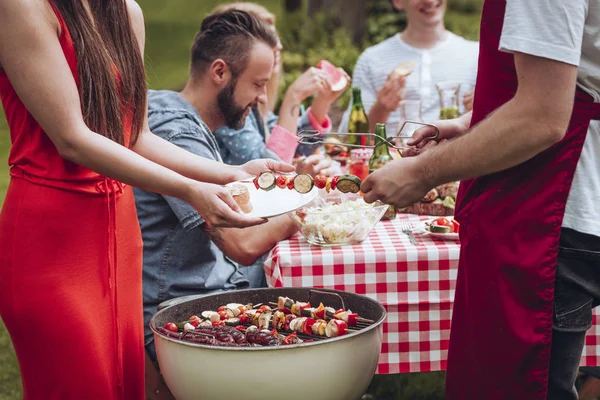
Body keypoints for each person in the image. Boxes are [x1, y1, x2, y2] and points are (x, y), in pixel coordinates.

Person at [0, 1, 291, 399]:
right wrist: (190, 189)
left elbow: (136, 135)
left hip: (121, 234)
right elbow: (72, 138)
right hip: (54, 237)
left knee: (125, 386)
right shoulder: (22, 7)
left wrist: (230, 174)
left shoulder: (126, 12)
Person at [361, 0, 600, 399]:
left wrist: (420, 173)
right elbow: (571, 85)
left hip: (548, 204)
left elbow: (542, 117)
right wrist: (470, 125)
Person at [136, 10, 299, 398]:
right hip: (181, 314)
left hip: (211, 291)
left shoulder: (185, 121)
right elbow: (241, 246)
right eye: (258, 84)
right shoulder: (176, 131)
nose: (263, 98)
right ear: (220, 73)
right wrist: (305, 212)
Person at [211, 2, 351, 175]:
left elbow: (298, 146)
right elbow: (272, 172)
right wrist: (293, 97)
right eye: (267, 38)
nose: (279, 46)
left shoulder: (256, 107)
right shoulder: (230, 109)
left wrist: (322, 101)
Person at [339, 0, 478, 135]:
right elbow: (349, 137)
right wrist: (381, 108)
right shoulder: (371, 60)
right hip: (393, 155)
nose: (429, 0)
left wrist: (484, 108)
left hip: (459, 155)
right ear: (398, 1)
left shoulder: (477, 55)